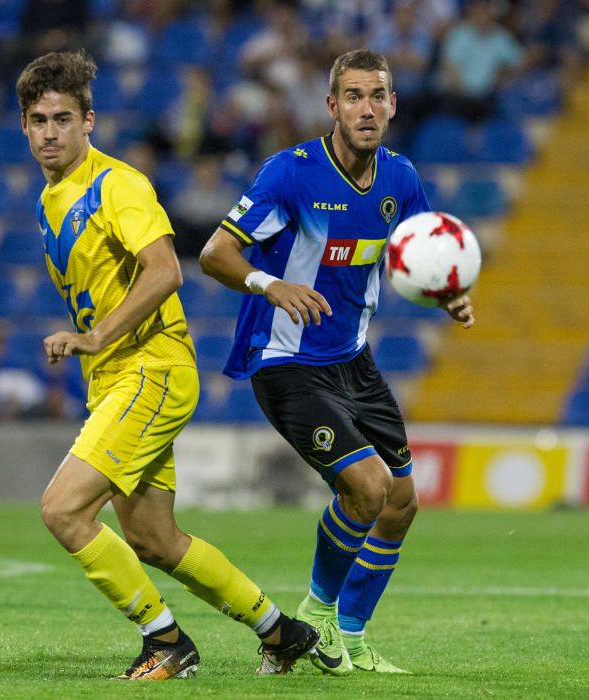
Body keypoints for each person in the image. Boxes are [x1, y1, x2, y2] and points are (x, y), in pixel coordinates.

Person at [15, 50, 318, 681]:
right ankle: (280, 632)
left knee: (63, 510)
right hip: (120, 379)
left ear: (89, 121)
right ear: (24, 126)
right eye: (39, 119)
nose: (51, 131)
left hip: (149, 369)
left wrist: (94, 336)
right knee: (153, 539)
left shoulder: (115, 184)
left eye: (63, 118)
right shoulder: (50, 199)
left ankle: (167, 643)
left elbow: (166, 270)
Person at [199, 49, 474, 675]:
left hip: (354, 361)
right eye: (353, 96)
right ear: (332, 106)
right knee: (368, 488)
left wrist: (448, 293)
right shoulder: (290, 173)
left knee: (401, 500)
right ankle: (317, 613)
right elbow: (216, 253)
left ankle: (349, 635)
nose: (367, 108)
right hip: (287, 361)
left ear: (394, 104)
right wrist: (272, 286)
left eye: (377, 95)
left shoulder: (400, 178)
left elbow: (420, 254)